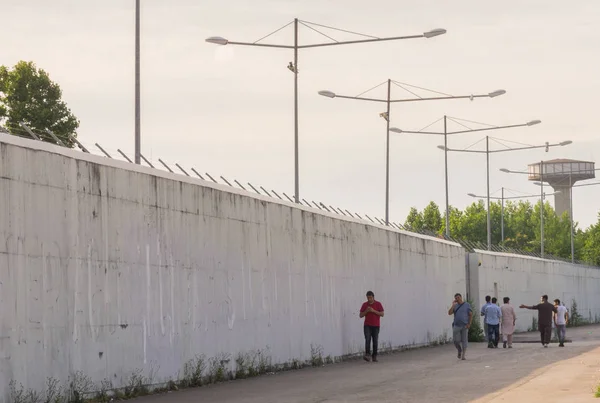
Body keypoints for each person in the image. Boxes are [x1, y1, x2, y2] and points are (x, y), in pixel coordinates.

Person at [359, 291, 384, 362]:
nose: (369, 299)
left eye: (370, 297)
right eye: (368, 298)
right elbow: (360, 315)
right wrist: (366, 311)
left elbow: (382, 314)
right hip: (367, 325)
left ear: (373, 297)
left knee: (375, 341)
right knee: (367, 339)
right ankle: (367, 354)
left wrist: (373, 311)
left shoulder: (378, 304)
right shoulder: (364, 305)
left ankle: (374, 356)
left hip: (376, 325)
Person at [448, 293, 473, 360]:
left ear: (461, 297)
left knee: (464, 340)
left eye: (458, 297)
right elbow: (449, 313)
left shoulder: (467, 305)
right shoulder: (455, 306)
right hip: (456, 325)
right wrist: (453, 305)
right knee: (456, 340)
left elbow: (470, 314)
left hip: (464, 325)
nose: (457, 299)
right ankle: (459, 349)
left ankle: (463, 355)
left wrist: (469, 324)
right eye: (456, 298)